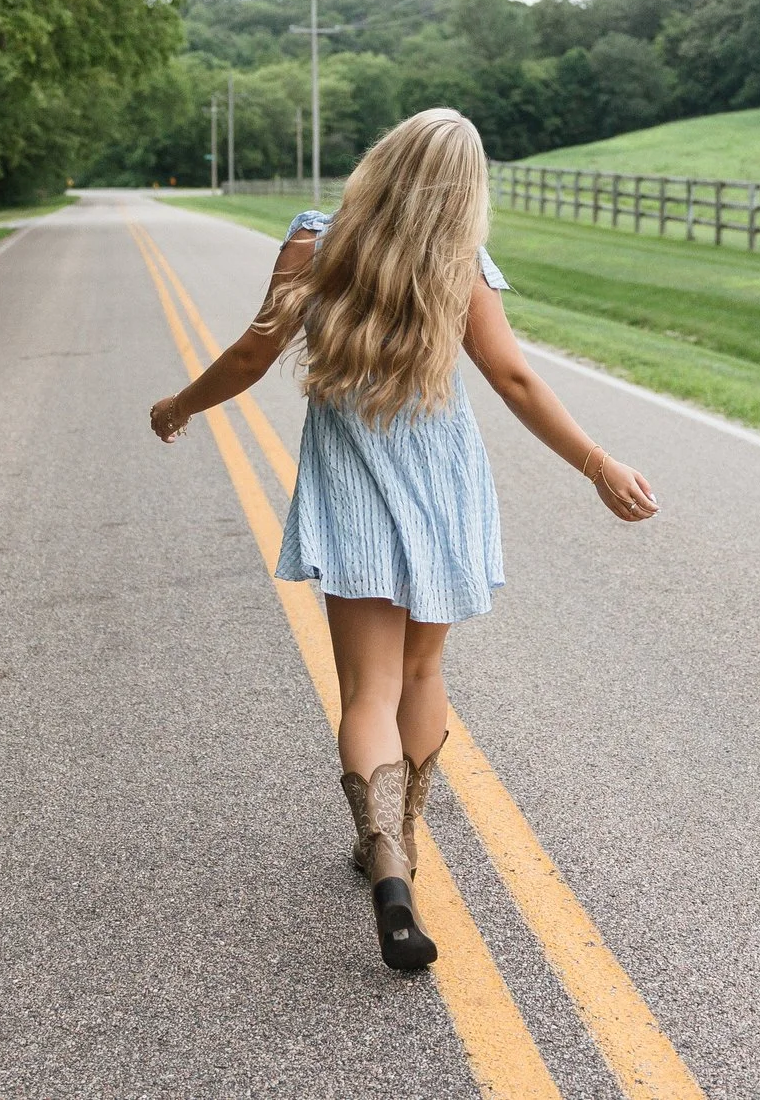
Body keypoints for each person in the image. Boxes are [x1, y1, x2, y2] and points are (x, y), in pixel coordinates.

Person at [149, 108, 658, 971]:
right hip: (443, 487)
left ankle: (381, 854)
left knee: (366, 692)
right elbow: (515, 379)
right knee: (423, 673)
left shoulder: (315, 242)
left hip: (352, 487)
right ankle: (401, 839)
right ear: (467, 190)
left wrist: (178, 406)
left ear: (383, 162)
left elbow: (249, 355)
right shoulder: (460, 264)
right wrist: (597, 464)